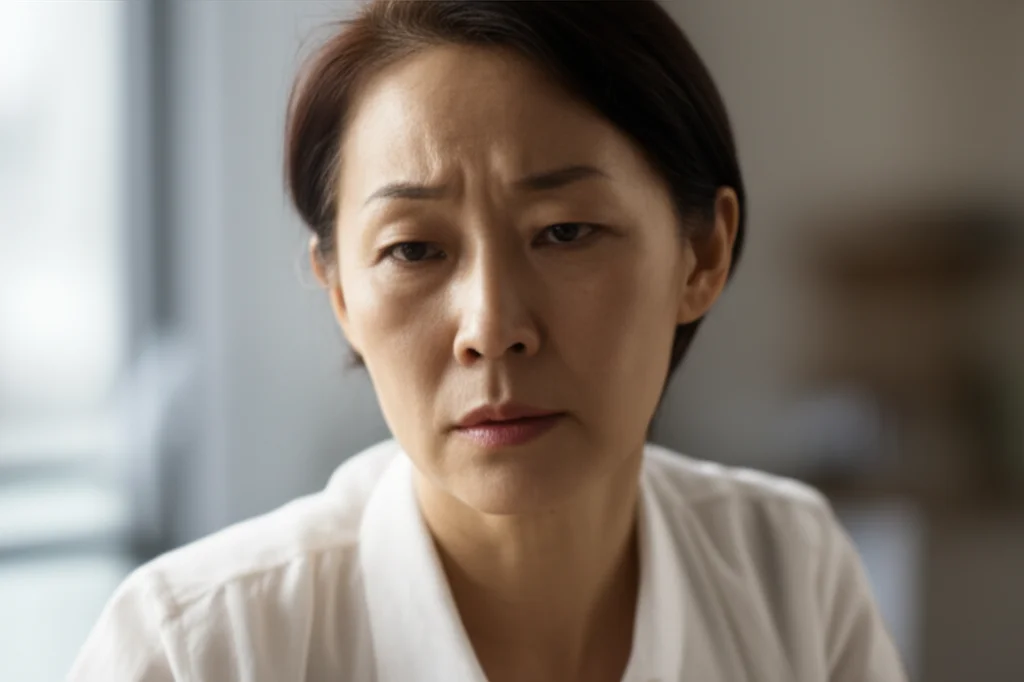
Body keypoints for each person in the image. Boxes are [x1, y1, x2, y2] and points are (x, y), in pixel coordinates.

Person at [69, 1, 907, 680]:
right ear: (340, 293)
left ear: (703, 254)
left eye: (567, 232)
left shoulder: (789, 573)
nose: (492, 329)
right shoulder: (198, 649)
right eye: (414, 250)